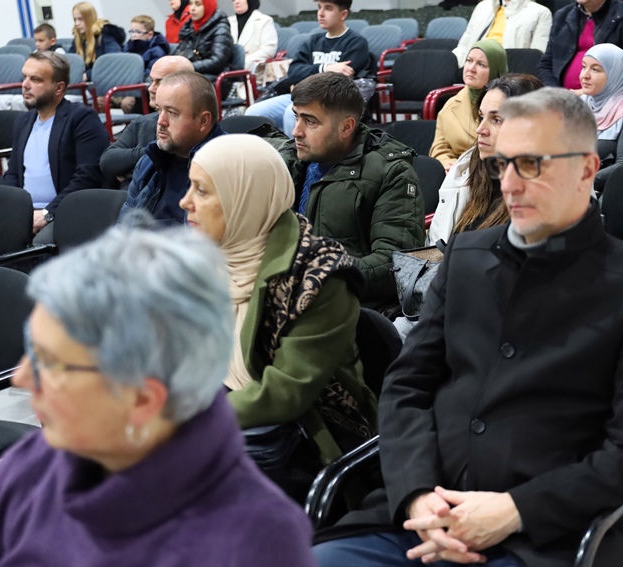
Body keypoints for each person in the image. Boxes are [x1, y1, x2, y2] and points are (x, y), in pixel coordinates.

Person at [313, 87, 623, 567]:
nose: (510, 183)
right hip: (425, 516)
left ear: (587, 168)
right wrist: (416, 495)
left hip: (543, 540)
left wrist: (514, 510)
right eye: (503, 163)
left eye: (532, 164)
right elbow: (407, 388)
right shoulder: (466, 257)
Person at [0, 224, 337, 567]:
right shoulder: (31, 469)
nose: (21, 378)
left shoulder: (257, 547)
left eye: (49, 362)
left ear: (143, 400)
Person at [181, 134, 377, 478]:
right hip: (226, 418)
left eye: (202, 191)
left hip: (303, 442)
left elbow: (286, 391)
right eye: (190, 186)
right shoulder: (210, 258)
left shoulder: (319, 277)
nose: (185, 202)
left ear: (244, 198)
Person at [268, 72, 424, 313]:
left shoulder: (391, 173)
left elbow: (395, 264)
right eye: (296, 117)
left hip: (349, 307)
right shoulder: (289, 160)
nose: (296, 131)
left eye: (310, 122)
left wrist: (318, 274)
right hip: (286, 297)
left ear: (346, 127)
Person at [2, 51, 108, 246]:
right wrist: (16, 210)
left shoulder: (81, 118)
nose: (25, 84)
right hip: (27, 211)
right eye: (24, 77)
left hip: (65, 212)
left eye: (35, 79)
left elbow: (87, 177)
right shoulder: (23, 121)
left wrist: (48, 213)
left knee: (38, 245)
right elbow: (13, 174)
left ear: (58, 88)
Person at [427, 72, 544, 246]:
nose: (480, 130)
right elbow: (437, 240)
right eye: (481, 117)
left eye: (496, 120)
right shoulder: (467, 168)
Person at [245, 0, 371, 136]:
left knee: (292, 114)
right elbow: (294, 72)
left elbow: (340, 79)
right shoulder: (312, 41)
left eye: (328, 8)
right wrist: (326, 67)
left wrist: (303, 81)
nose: (321, 13)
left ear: (343, 14)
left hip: (329, 101)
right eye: (319, 7)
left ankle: (298, 150)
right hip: (299, 96)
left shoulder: (356, 42)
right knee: (253, 112)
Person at [119, 70, 224, 224]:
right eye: (158, 110)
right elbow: (124, 228)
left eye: (172, 113)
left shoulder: (227, 167)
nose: (160, 121)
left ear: (203, 121)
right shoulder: (148, 162)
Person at [101, 55, 194, 188]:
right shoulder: (141, 123)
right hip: (130, 197)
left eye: (160, 82)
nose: (151, 88)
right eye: (151, 81)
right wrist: (150, 152)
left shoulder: (193, 128)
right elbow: (108, 161)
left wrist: (129, 165)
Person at [580, 44, 623, 193]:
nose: (585, 75)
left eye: (595, 69)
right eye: (583, 66)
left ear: (616, 75)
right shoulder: (579, 104)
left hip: (618, 190)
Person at [430, 39, 508, 171]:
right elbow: (439, 148)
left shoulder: (510, 106)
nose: (471, 69)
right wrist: (448, 164)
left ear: (496, 69)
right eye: (469, 61)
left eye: (481, 64)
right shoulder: (450, 105)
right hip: (456, 174)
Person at [538, 0, 623, 90]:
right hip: (562, 97)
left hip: (606, 97)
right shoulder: (562, 15)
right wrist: (555, 92)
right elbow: (546, 64)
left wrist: (587, 94)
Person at [452, 0, 552, 65]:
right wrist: (451, 63)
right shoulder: (483, 7)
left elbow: (536, 56)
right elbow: (464, 47)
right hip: (472, 65)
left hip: (506, 70)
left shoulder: (541, 12)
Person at [174, 0, 234, 79]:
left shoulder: (221, 28)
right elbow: (180, 51)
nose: (192, 8)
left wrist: (189, 66)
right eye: (191, 4)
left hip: (214, 76)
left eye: (198, 4)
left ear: (208, 6)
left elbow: (218, 61)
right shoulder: (189, 26)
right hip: (192, 73)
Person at [72, 2, 125, 81]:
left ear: (90, 18)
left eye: (80, 19)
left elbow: (114, 62)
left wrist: (88, 75)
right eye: (75, 19)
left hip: (105, 82)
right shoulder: (78, 38)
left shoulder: (105, 35)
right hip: (87, 84)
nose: (77, 23)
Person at [231, 0, 278, 72]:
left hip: (254, 70)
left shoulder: (264, 20)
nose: (236, 2)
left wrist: (242, 62)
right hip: (228, 69)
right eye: (234, 0)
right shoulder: (228, 21)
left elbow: (269, 50)